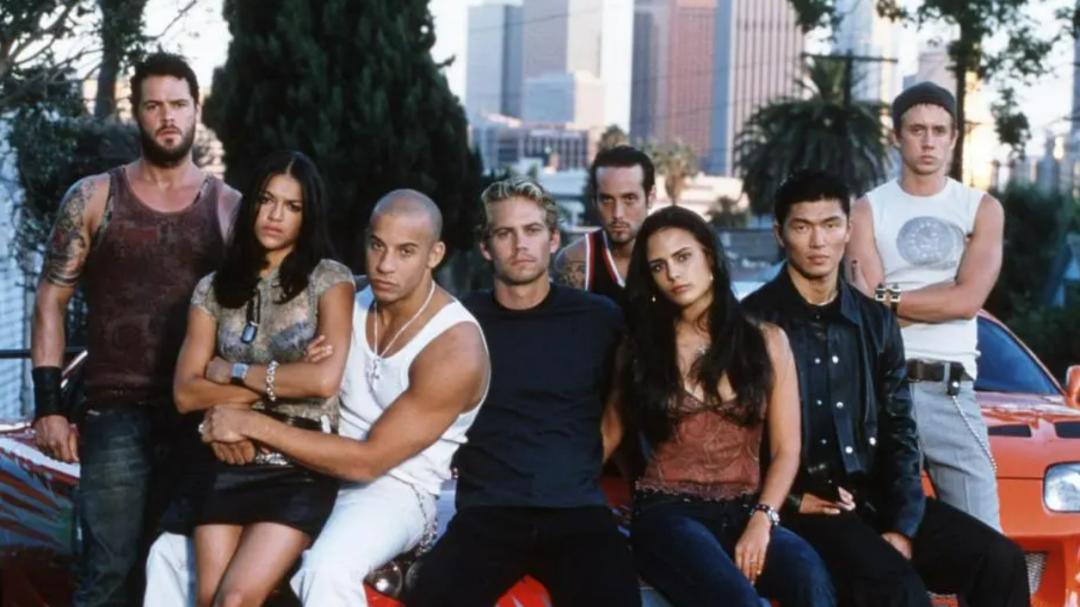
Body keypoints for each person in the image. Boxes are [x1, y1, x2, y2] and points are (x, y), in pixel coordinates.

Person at [148, 189, 490, 607]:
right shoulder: (343, 300)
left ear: (434, 254)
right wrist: (228, 416)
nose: (385, 265)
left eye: (406, 251)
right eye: (377, 245)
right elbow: (272, 374)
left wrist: (251, 423)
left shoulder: (454, 347)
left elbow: (368, 462)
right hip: (305, 468)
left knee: (326, 570)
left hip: (394, 487)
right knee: (169, 555)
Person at [743, 169, 1029, 607]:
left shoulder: (875, 320)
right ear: (780, 234)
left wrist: (902, 525)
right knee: (899, 589)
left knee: (999, 559)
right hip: (809, 504)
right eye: (802, 227)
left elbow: (900, 431)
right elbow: (737, 439)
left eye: (830, 225)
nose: (818, 242)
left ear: (848, 230)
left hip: (873, 498)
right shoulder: (752, 321)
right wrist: (794, 499)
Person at [29, 52, 240, 606]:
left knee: (182, 572)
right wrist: (49, 405)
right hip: (114, 413)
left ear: (196, 110)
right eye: (154, 105)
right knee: (109, 576)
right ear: (137, 112)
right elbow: (50, 299)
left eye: (178, 104)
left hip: (197, 416)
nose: (167, 116)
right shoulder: (95, 196)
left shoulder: (228, 208)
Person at [409, 177, 641, 607]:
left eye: (532, 230)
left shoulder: (598, 318)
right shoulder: (457, 322)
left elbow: (619, 407)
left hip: (576, 511)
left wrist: (578, 466)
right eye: (504, 233)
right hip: (488, 512)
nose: (520, 245)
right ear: (485, 247)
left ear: (553, 239)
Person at [623, 206, 836, 607]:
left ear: (709, 257)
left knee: (811, 577)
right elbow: (608, 433)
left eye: (683, 257)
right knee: (736, 600)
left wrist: (762, 519)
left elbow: (787, 450)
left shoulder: (767, 341)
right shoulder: (643, 347)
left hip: (744, 509)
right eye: (658, 266)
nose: (673, 274)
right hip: (668, 514)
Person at [171, 150, 355, 606]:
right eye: (267, 200)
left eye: (292, 206)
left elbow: (322, 382)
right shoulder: (213, 288)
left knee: (234, 599)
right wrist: (281, 381)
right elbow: (185, 392)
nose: (275, 216)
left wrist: (231, 373)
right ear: (251, 203)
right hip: (227, 456)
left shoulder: (329, 280)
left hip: (297, 467)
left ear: (308, 216)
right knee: (210, 598)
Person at [847, 81, 1005, 529]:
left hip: (951, 392)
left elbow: (968, 301)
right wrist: (943, 293)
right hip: (884, 389)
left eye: (939, 130)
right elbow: (866, 310)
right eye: (917, 130)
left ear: (954, 137)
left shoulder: (981, 208)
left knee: (986, 541)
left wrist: (889, 296)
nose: (928, 141)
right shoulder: (867, 210)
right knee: (882, 538)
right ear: (897, 136)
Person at [553, 145, 656, 311]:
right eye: (607, 200)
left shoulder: (671, 255)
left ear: (650, 198)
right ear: (594, 201)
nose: (617, 214)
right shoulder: (575, 259)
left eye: (629, 198)